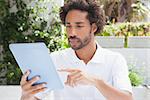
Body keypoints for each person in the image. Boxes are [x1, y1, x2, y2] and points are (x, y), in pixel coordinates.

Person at [20, 0, 133, 100]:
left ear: (93, 28)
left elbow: (127, 99)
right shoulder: (55, 59)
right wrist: (26, 95)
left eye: (79, 26)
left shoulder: (114, 60)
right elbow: (35, 97)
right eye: (68, 26)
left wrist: (95, 81)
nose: (72, 32)